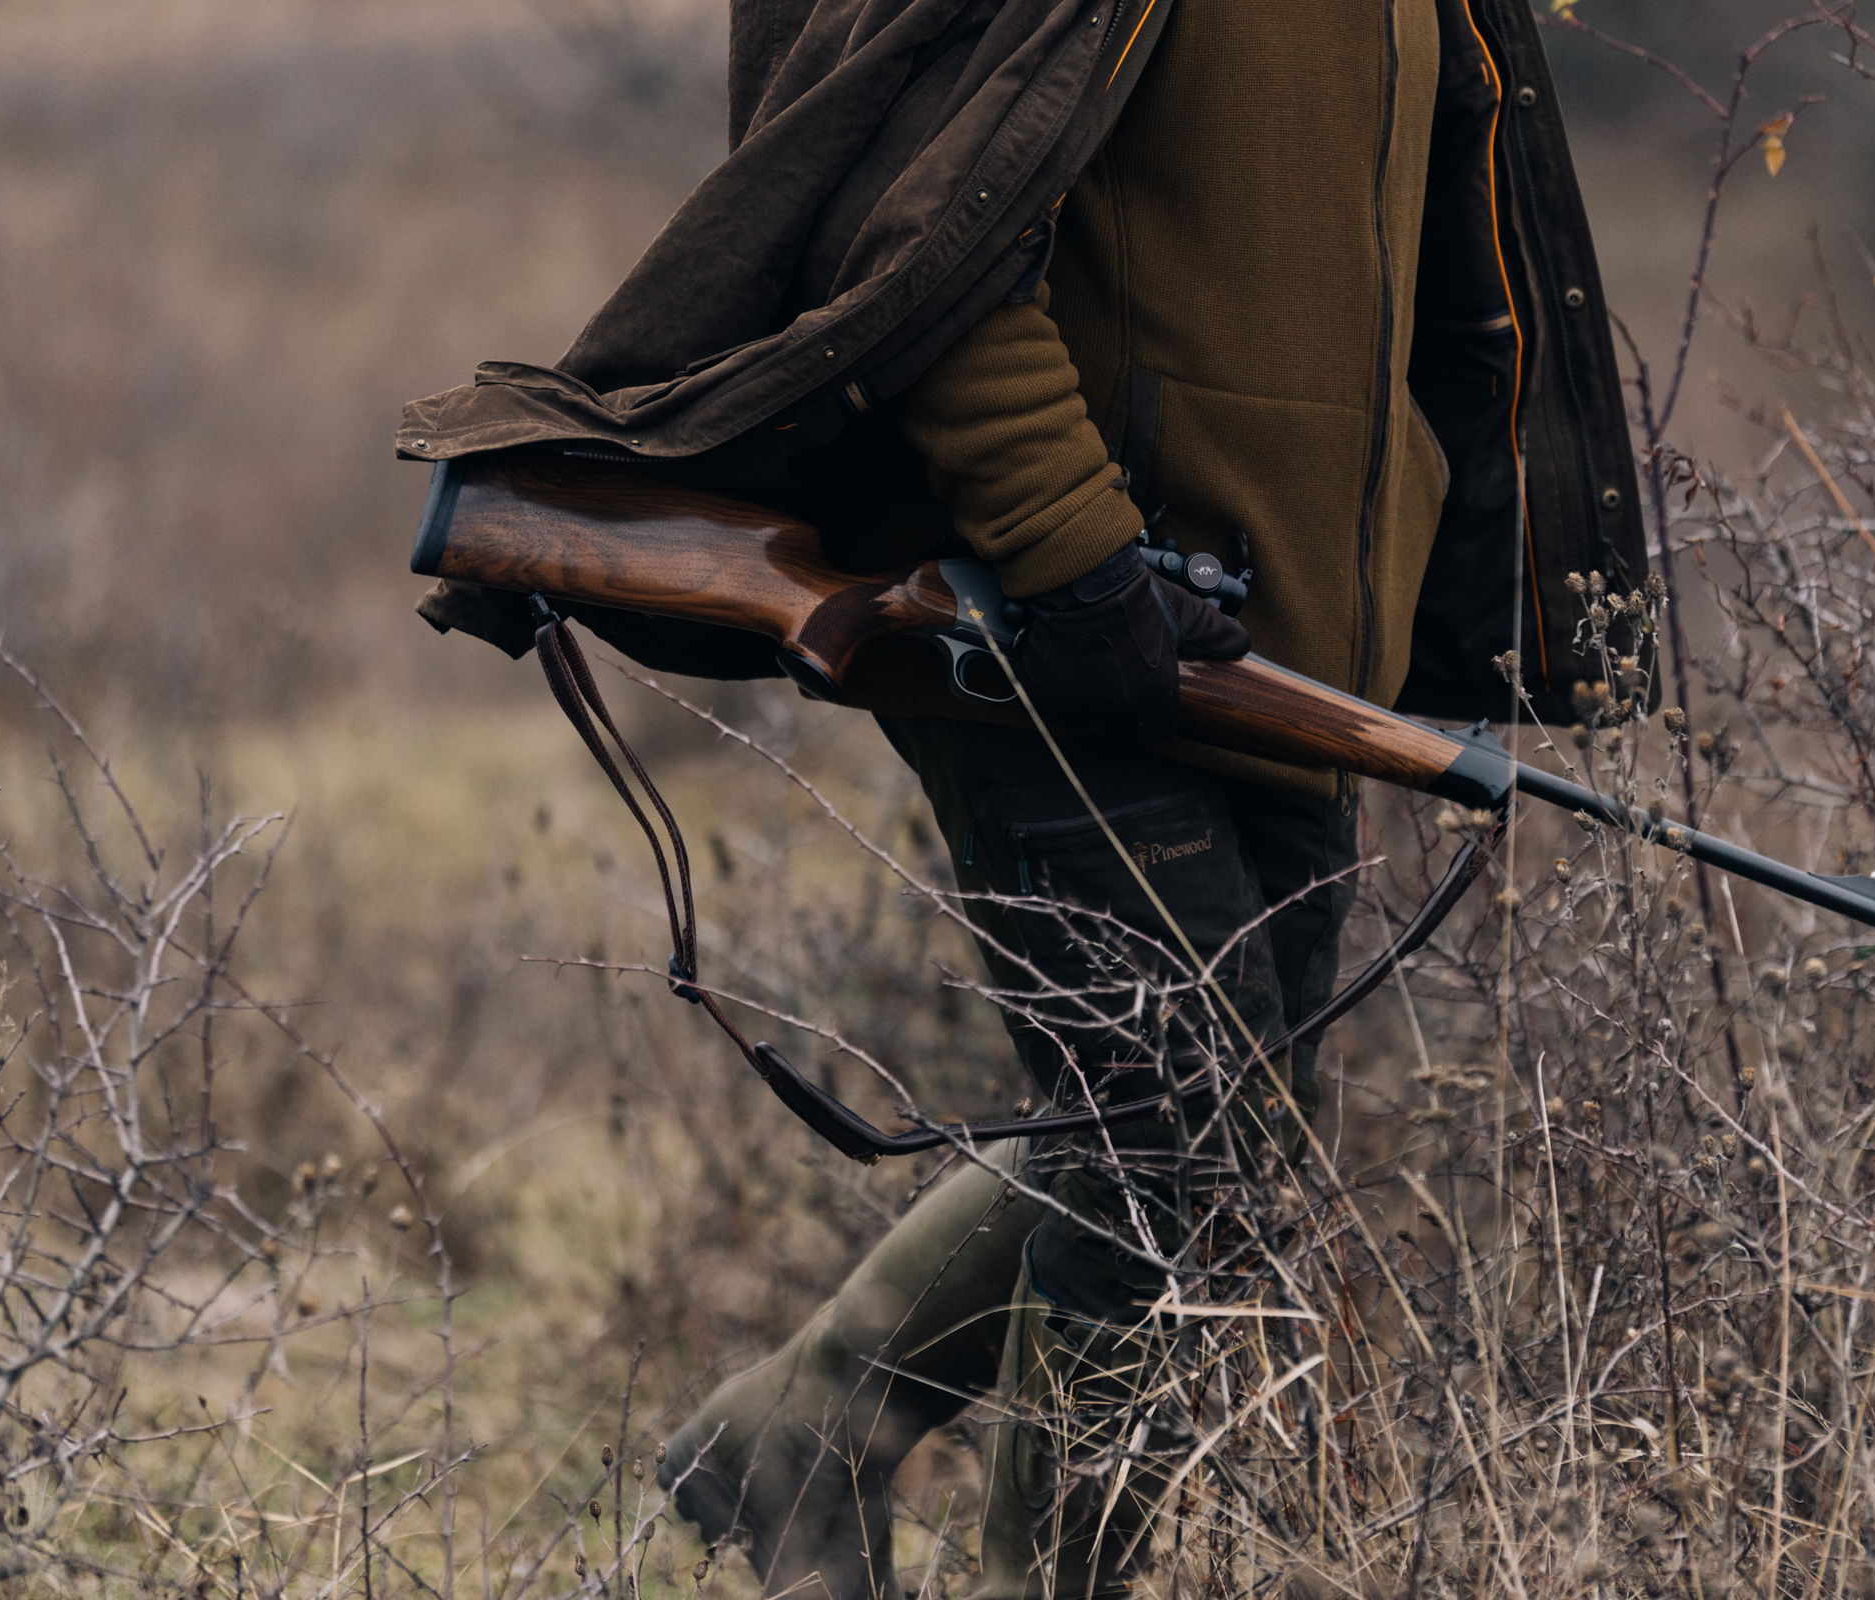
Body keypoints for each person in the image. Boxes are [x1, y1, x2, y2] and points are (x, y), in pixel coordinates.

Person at [402, 1, 1646, 1593]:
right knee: (1175, 1141)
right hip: (1049, 619)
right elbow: (914, 230)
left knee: (1215, 1122)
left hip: (1283, 647)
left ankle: (799, 1432)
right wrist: (1072, 556)